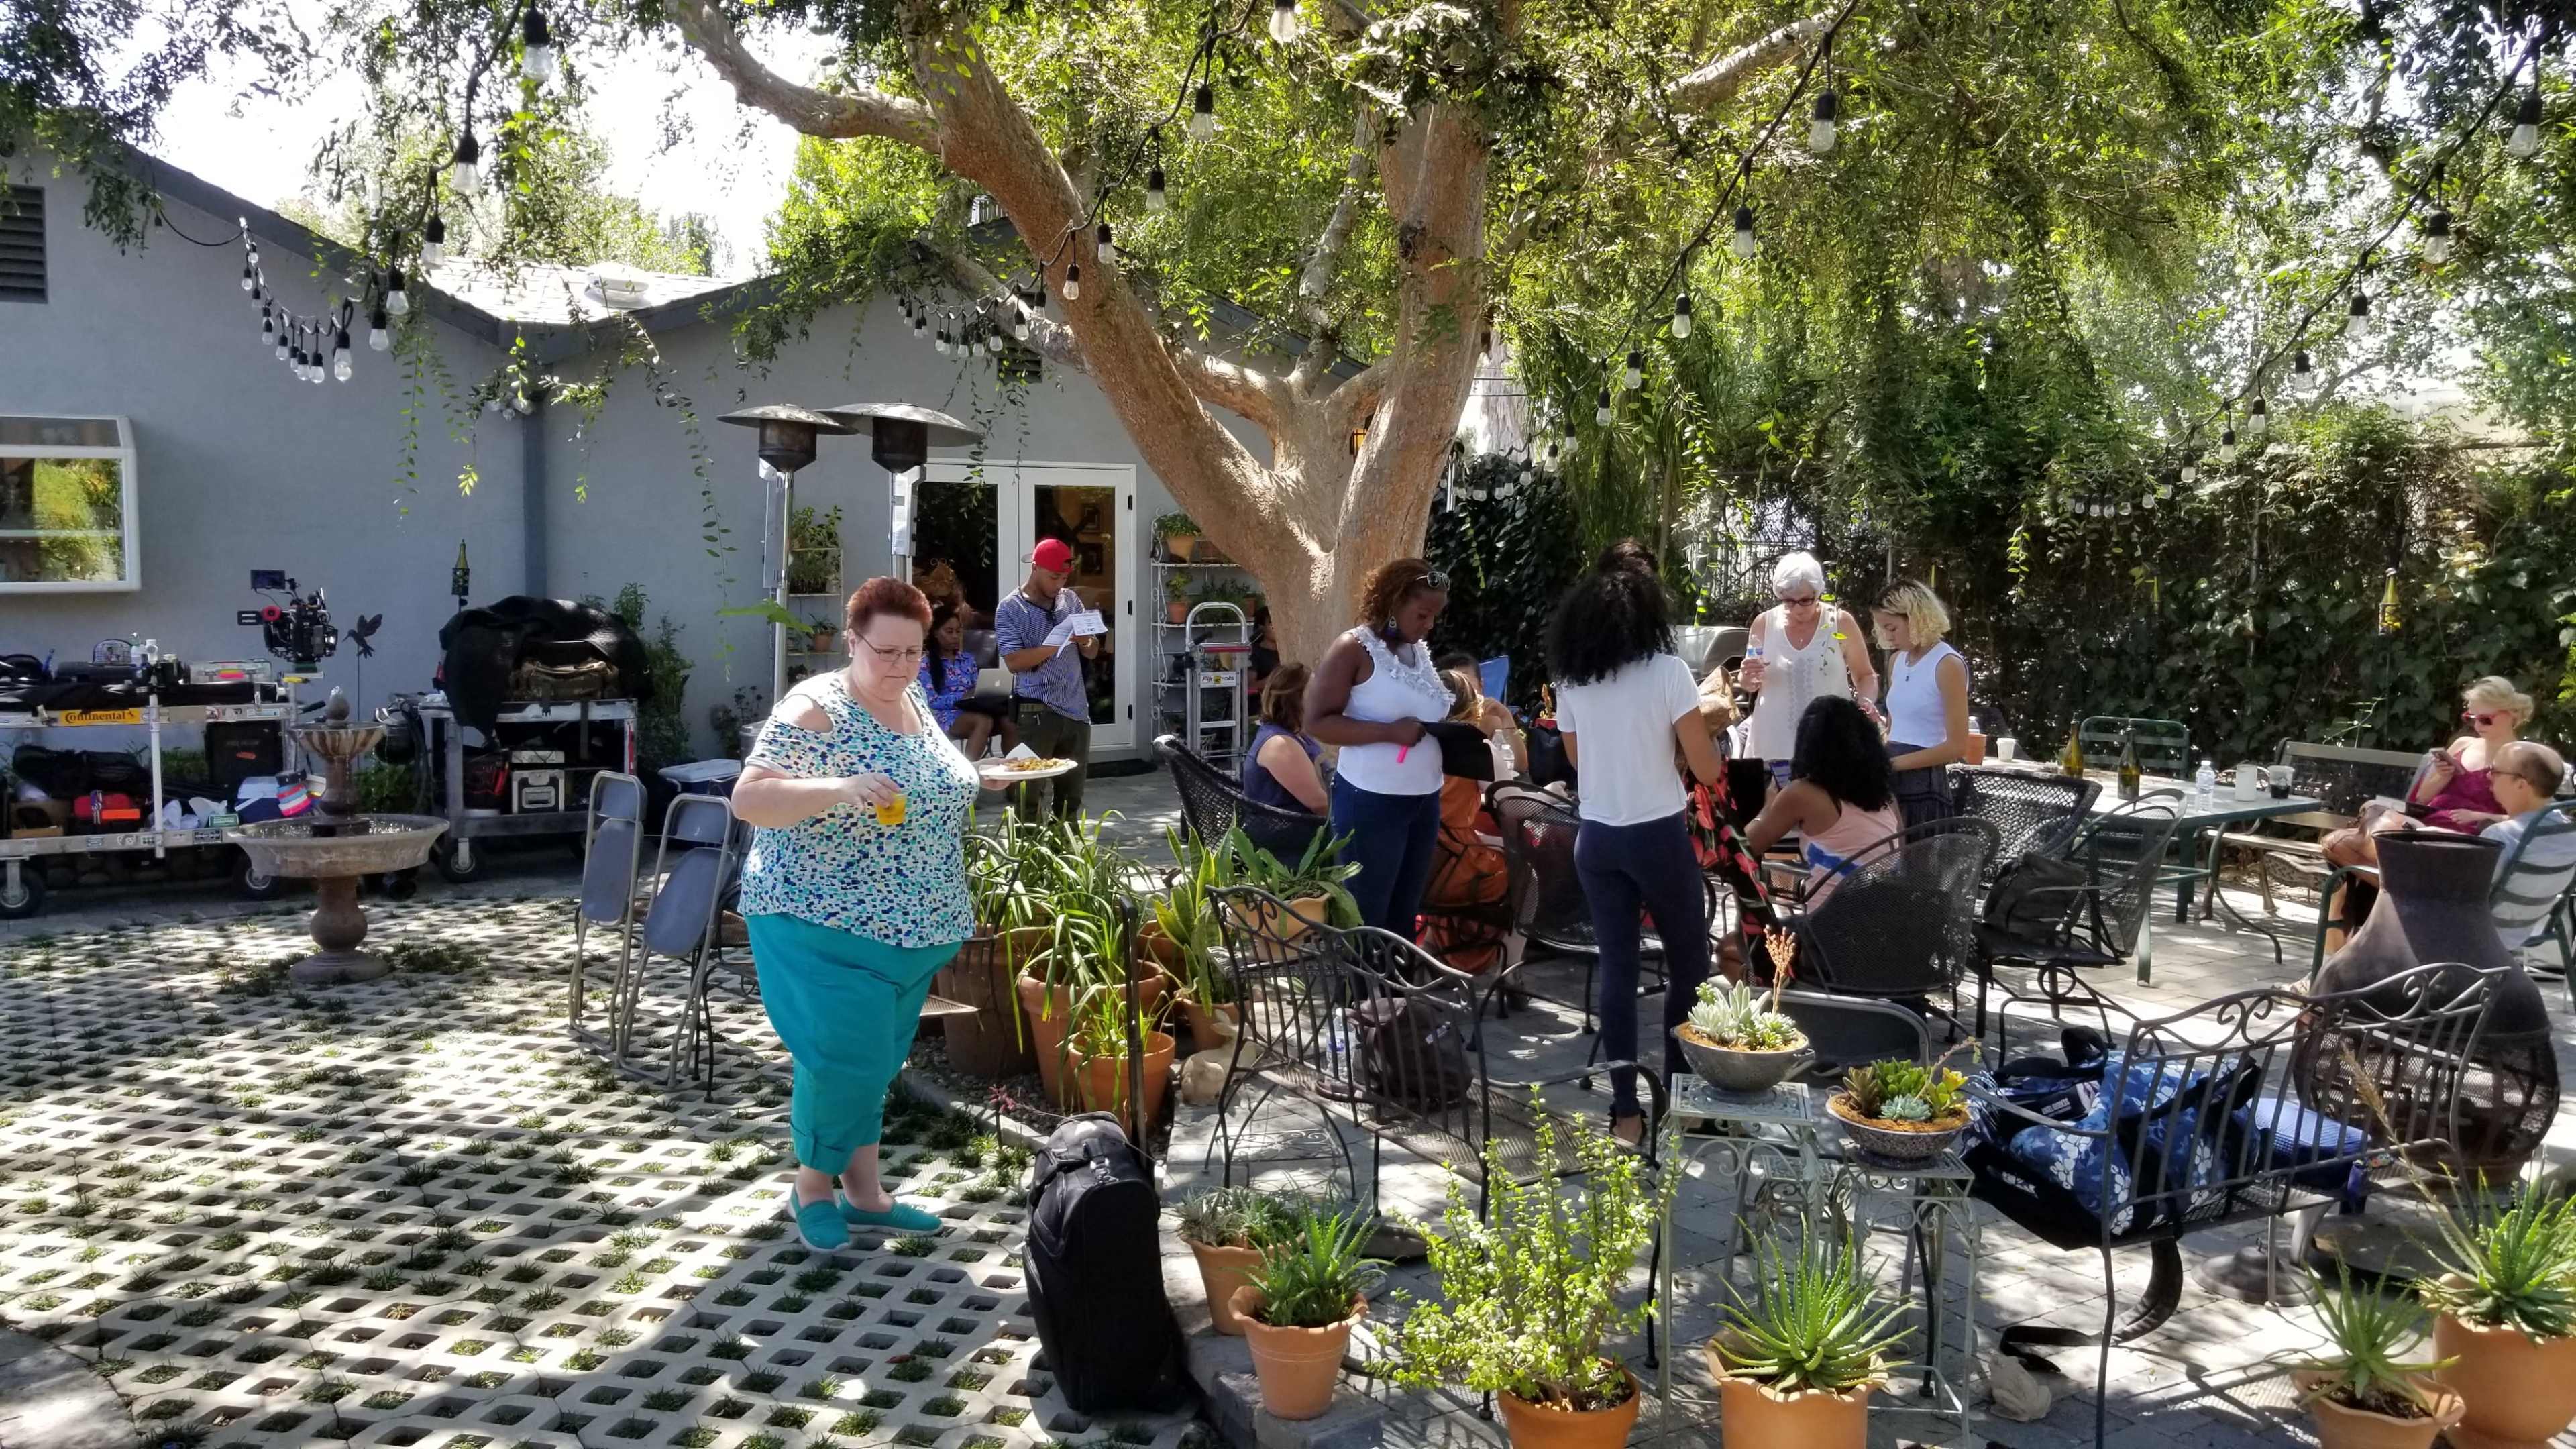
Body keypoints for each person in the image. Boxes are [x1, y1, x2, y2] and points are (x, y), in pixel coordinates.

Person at [731, 578, 1008, 1251]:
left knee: (873, 1062)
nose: (902, 666)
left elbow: (929, 776)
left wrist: (982, 778)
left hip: (913, 930)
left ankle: (866, 1195)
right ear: (852, 641)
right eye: (885, 651)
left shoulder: (910, 695)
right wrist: (838, 788)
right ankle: (813, 1189)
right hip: (822, 921)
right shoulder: (816, 706)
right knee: (842, 1061)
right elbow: (749, 798)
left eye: (913, 652)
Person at [1545, 540, 1725, 1144]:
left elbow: (1577, 758)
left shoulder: (1572, 680)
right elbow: (1704, 770)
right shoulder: (1670, 674)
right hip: (1657, 835)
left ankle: (1625, 1112)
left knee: (1618, 972)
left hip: (1596, 838)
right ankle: (1679, 1098)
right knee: (1690, 966)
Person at [2324, 676, 2540, 934]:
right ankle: (2397, 895)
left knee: (2342, 857)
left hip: (2458, 845)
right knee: (2363, 836)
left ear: (2512, 714)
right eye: (2470, 719)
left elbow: (2529, 819)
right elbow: (2419, 802)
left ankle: (2340, 956)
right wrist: (2442, 776)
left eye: (2486, 719)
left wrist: (2479, 814)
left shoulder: (2521, 757)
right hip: (2419, 828)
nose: (2477, 726)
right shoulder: (2463, 745)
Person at [1307, 559, 1453, 936]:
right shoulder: (1352, 649)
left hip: (1424, 799)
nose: (1429, 625)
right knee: (1366, 914)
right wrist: (1389, 733)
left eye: (1435, 616)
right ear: (1393, 602)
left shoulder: (1417, 652)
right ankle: (1359, 996)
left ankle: (1395, 996)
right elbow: (1317, 721)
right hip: (1371, 801)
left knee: (1405, 912)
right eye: (1422, 614)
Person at [1725, 551, 1879, 790]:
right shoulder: (1764, 623)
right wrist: (1747, 675)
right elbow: (1749, 685)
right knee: (1775, 819)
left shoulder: (1840, 622)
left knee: (1829, 819)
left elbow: (1865, 675)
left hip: (1829, 745)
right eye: (1788, 601)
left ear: (1818, 593)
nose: (1797, 608)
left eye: (1805, 600)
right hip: (1773, 743)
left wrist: (1866, 701)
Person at [1744, 696, 1904, 906]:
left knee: (1734, 937)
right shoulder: (1885, 795)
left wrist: (1769, 804)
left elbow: (1745, 847)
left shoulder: (1802, 793)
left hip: (1828, 928)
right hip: (1887, 919)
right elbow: (1900, 850)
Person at [991, 538, 1102, 819]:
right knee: (1029, 795)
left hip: (1076, 708)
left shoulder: (1070, 600)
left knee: (1071, 799)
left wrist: (1086, 641)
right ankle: (1031, 858)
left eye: (1064, 577)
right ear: (1036, 568)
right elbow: (1013, 662)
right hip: (1037, 709)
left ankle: (1066, 855)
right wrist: (1052, 645)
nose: (1059, 584)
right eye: (1054, 577)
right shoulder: (1010, 608)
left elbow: (1092, 652)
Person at [1420, 669, 1511, 976]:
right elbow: (1515, 805)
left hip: (1416, 867)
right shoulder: (1476, 749)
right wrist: (1551, 793)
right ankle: (1511, 970)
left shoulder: (1410, 745)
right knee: (1527, 870)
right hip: (1453, 868)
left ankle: (1435, 944)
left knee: (1481, 849)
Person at [1871, 578, 1972, 830]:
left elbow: (1957, 746)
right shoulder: (1897, 660)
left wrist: (1892, 764)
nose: (1887, 636)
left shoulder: (1947, 663)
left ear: (1916, 618)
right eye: (1883, 628)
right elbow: (1894, 730)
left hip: (1924, 787)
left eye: (1892, 628)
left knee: (1917, 868)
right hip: (1889, 781)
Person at [2481, 741, 2576, 951]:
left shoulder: (2501, 837)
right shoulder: (2568, 833)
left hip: (2484, 938)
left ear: (2521, 785)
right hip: (2524, 932)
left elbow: (2468, 897)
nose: (2488, 776)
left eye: (2494, 771)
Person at [919, 603, 1010, 761]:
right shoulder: (925, 664)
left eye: (958, 631)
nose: (955, 636)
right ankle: (968, 774)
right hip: (945, 715)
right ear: (935, 633)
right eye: (949, 631)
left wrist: (981, 695)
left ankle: (1017, 777)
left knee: (1009, 720)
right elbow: (931, 701)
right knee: (983, 721)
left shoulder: (967, 660)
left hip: (974, 710)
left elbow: (977, 688)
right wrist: (961, 698)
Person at [1241, 663, 1329, 815]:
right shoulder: (1280, 744)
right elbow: (1319, 804)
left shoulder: (1297, 734)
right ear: (1294, 700)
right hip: (1292, 834)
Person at [1436, 650, 1529, 776]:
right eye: (1453, 684)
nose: (1461, 689)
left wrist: (1506, 717)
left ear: (1481, 685)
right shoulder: (1435, 720)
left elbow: (1519, 766)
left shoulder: (1490, 718)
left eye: (1467, 681)